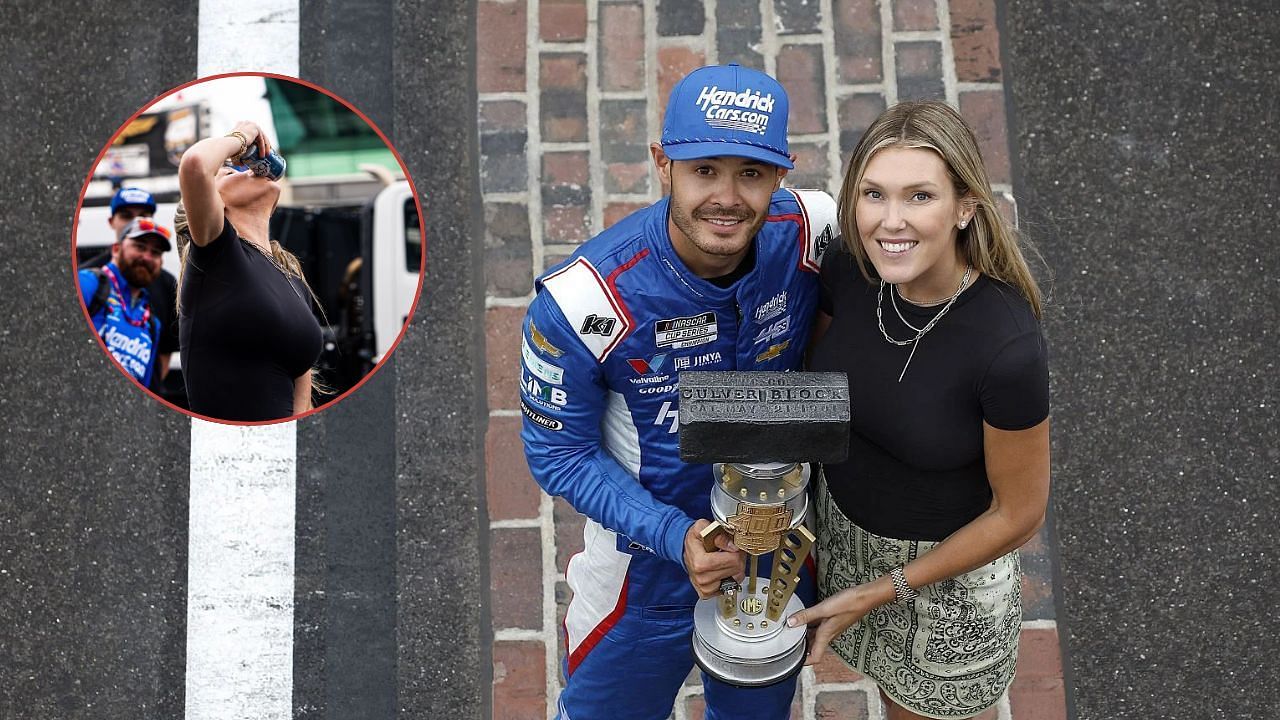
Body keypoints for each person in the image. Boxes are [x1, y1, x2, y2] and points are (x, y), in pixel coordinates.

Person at [520, 64, 837, 719]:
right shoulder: (582, 302)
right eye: (704, 170)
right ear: (661, 164)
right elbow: (558, 455)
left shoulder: (812, 232)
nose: (727, 196)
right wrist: (673, 532)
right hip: (644, 569)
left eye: (750, 173)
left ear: (783, 173)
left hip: (772, 553)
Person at [787, 100, 1050, 719]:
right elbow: (816, 392)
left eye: (920, 197)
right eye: (873, 194)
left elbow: (1019, 513)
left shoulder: (1006, 347)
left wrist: (884, 590)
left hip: (946, 587)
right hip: (843, 542)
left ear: (964, 208)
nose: (890, 222)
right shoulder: (849, 268)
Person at [176, 121, 322, 421]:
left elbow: (302, 405)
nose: (247, 168)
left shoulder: (293, 279)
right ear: (217, 204)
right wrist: (242, 136)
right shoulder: (218, 256)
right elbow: (194, 164)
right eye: (229, 172)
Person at [82, 187, 181, 395]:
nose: (147, 256)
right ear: (116, 248)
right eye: (139, 246)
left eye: (155, 252)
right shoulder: (88, 281)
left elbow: (163, 355)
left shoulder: (153, 314)